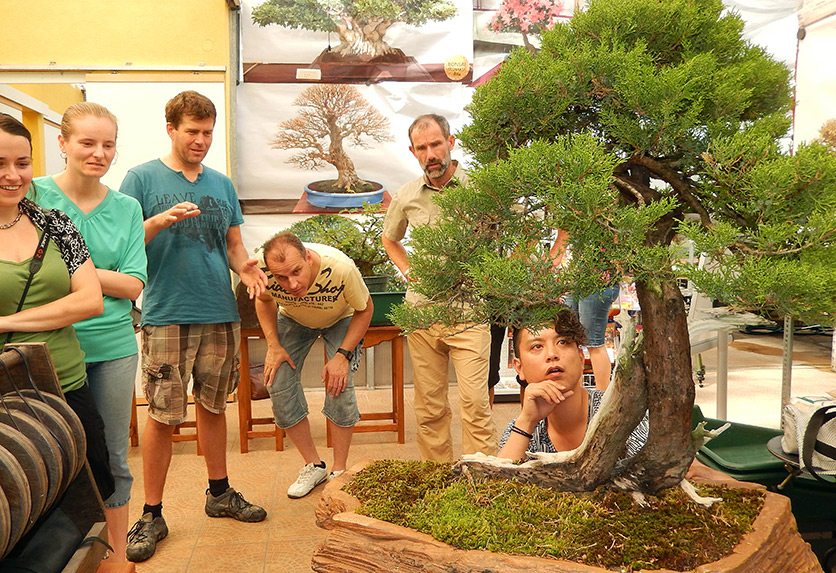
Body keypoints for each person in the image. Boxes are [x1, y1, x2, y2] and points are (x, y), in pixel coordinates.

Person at [0, 112, 166, 573]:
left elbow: (88, 299)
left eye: (21, 162)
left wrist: (3, 323)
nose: (12, 174)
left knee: (87, 503)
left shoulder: (52, 222)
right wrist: (20, 389)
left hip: (68, 384)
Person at [31, 102, 172, 573]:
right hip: (44, 348)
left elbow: (136, 285)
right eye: (87, 143)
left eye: (108, 144)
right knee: (48, 467)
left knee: (111, 460)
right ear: (62, 143)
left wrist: (74, 269)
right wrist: (97, 277)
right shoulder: (34, 195)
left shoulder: (128, 206)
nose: (99, 154)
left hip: (112, 346)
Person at [119, 90, 268, 564]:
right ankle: (151, 513)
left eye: (207, 132)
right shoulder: (141, 178)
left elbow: (233, 245)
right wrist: (159, 220)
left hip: (218, 312)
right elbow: (122, 241)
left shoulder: (221, 185)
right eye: (192, 132)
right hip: (166, 312)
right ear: (171, 129)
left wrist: (246, 270)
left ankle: (219, 493)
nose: (200, 140)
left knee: (212, 406)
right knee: (163, 414)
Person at [496, 309, 732, 483]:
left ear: (580, 356)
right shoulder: (520, 430)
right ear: (519, 367)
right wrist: (526, 422)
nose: (551, 355)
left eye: (563, 342)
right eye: (536, 346)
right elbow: (494, 491)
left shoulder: (622, 410)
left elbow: (682, 472)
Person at [382, 113, 496, 463]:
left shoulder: (483, 188)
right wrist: (409, 271)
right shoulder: (406, 196)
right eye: (422, 148)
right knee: (429, 407)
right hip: (423, 314)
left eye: (435, 144)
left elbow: (518, 231)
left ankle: (482, 481)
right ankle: (438, 480)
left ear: (451, 142)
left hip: (470, 312)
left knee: (475, 403)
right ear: (413, 152)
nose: (430, 154)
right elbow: (390, 238)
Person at [254, 232, 373, 498]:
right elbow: (263, 302)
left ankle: (339, 471)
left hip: (342, 317)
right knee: (278, 380)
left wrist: (342, 355)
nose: (292, 283)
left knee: (339, 383)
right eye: (282, 277)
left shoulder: (341, 268)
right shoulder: (262, 269)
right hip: (294, 319)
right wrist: (273, 345)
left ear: (308, 257)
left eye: (296, 272)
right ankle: (314, 465)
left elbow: (366, 309)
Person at [547, 229, 619, 391]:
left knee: (594, 343)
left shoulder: (604, 217)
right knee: (571, 338)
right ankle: (575, 392)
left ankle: (601, 398)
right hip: (580, 279)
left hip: (598, 283)